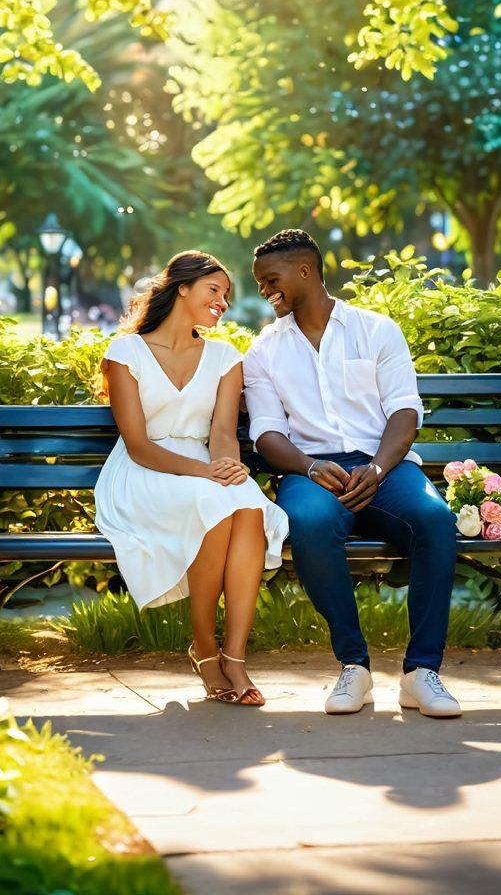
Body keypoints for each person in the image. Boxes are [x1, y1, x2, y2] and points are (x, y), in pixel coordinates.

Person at [243, 229, 461, 718]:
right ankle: (354, 666)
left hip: (384, 466)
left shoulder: (376, 330)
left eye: (271, 279)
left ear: (305, 271)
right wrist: (309, 465)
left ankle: (422, 672)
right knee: (310, 522)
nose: (264, 291)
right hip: (309, 471)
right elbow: (267, 433)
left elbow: (404, 411)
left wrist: (378, 467)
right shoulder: (263, 351)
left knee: (434, 519)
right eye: (260, 283)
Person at [95, 251, 288, 706]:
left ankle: (234, 656)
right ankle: (203, 647)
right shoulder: (126, 352)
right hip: (143, 472)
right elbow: (138, 444)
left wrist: (228, 467)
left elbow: (221, 434)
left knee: (249, 506)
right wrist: (206, 474)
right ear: (181, 288)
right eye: (213, 290)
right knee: (214, 505)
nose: (223, 302)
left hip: (202, 466)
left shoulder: (224, 357)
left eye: (227, 295)